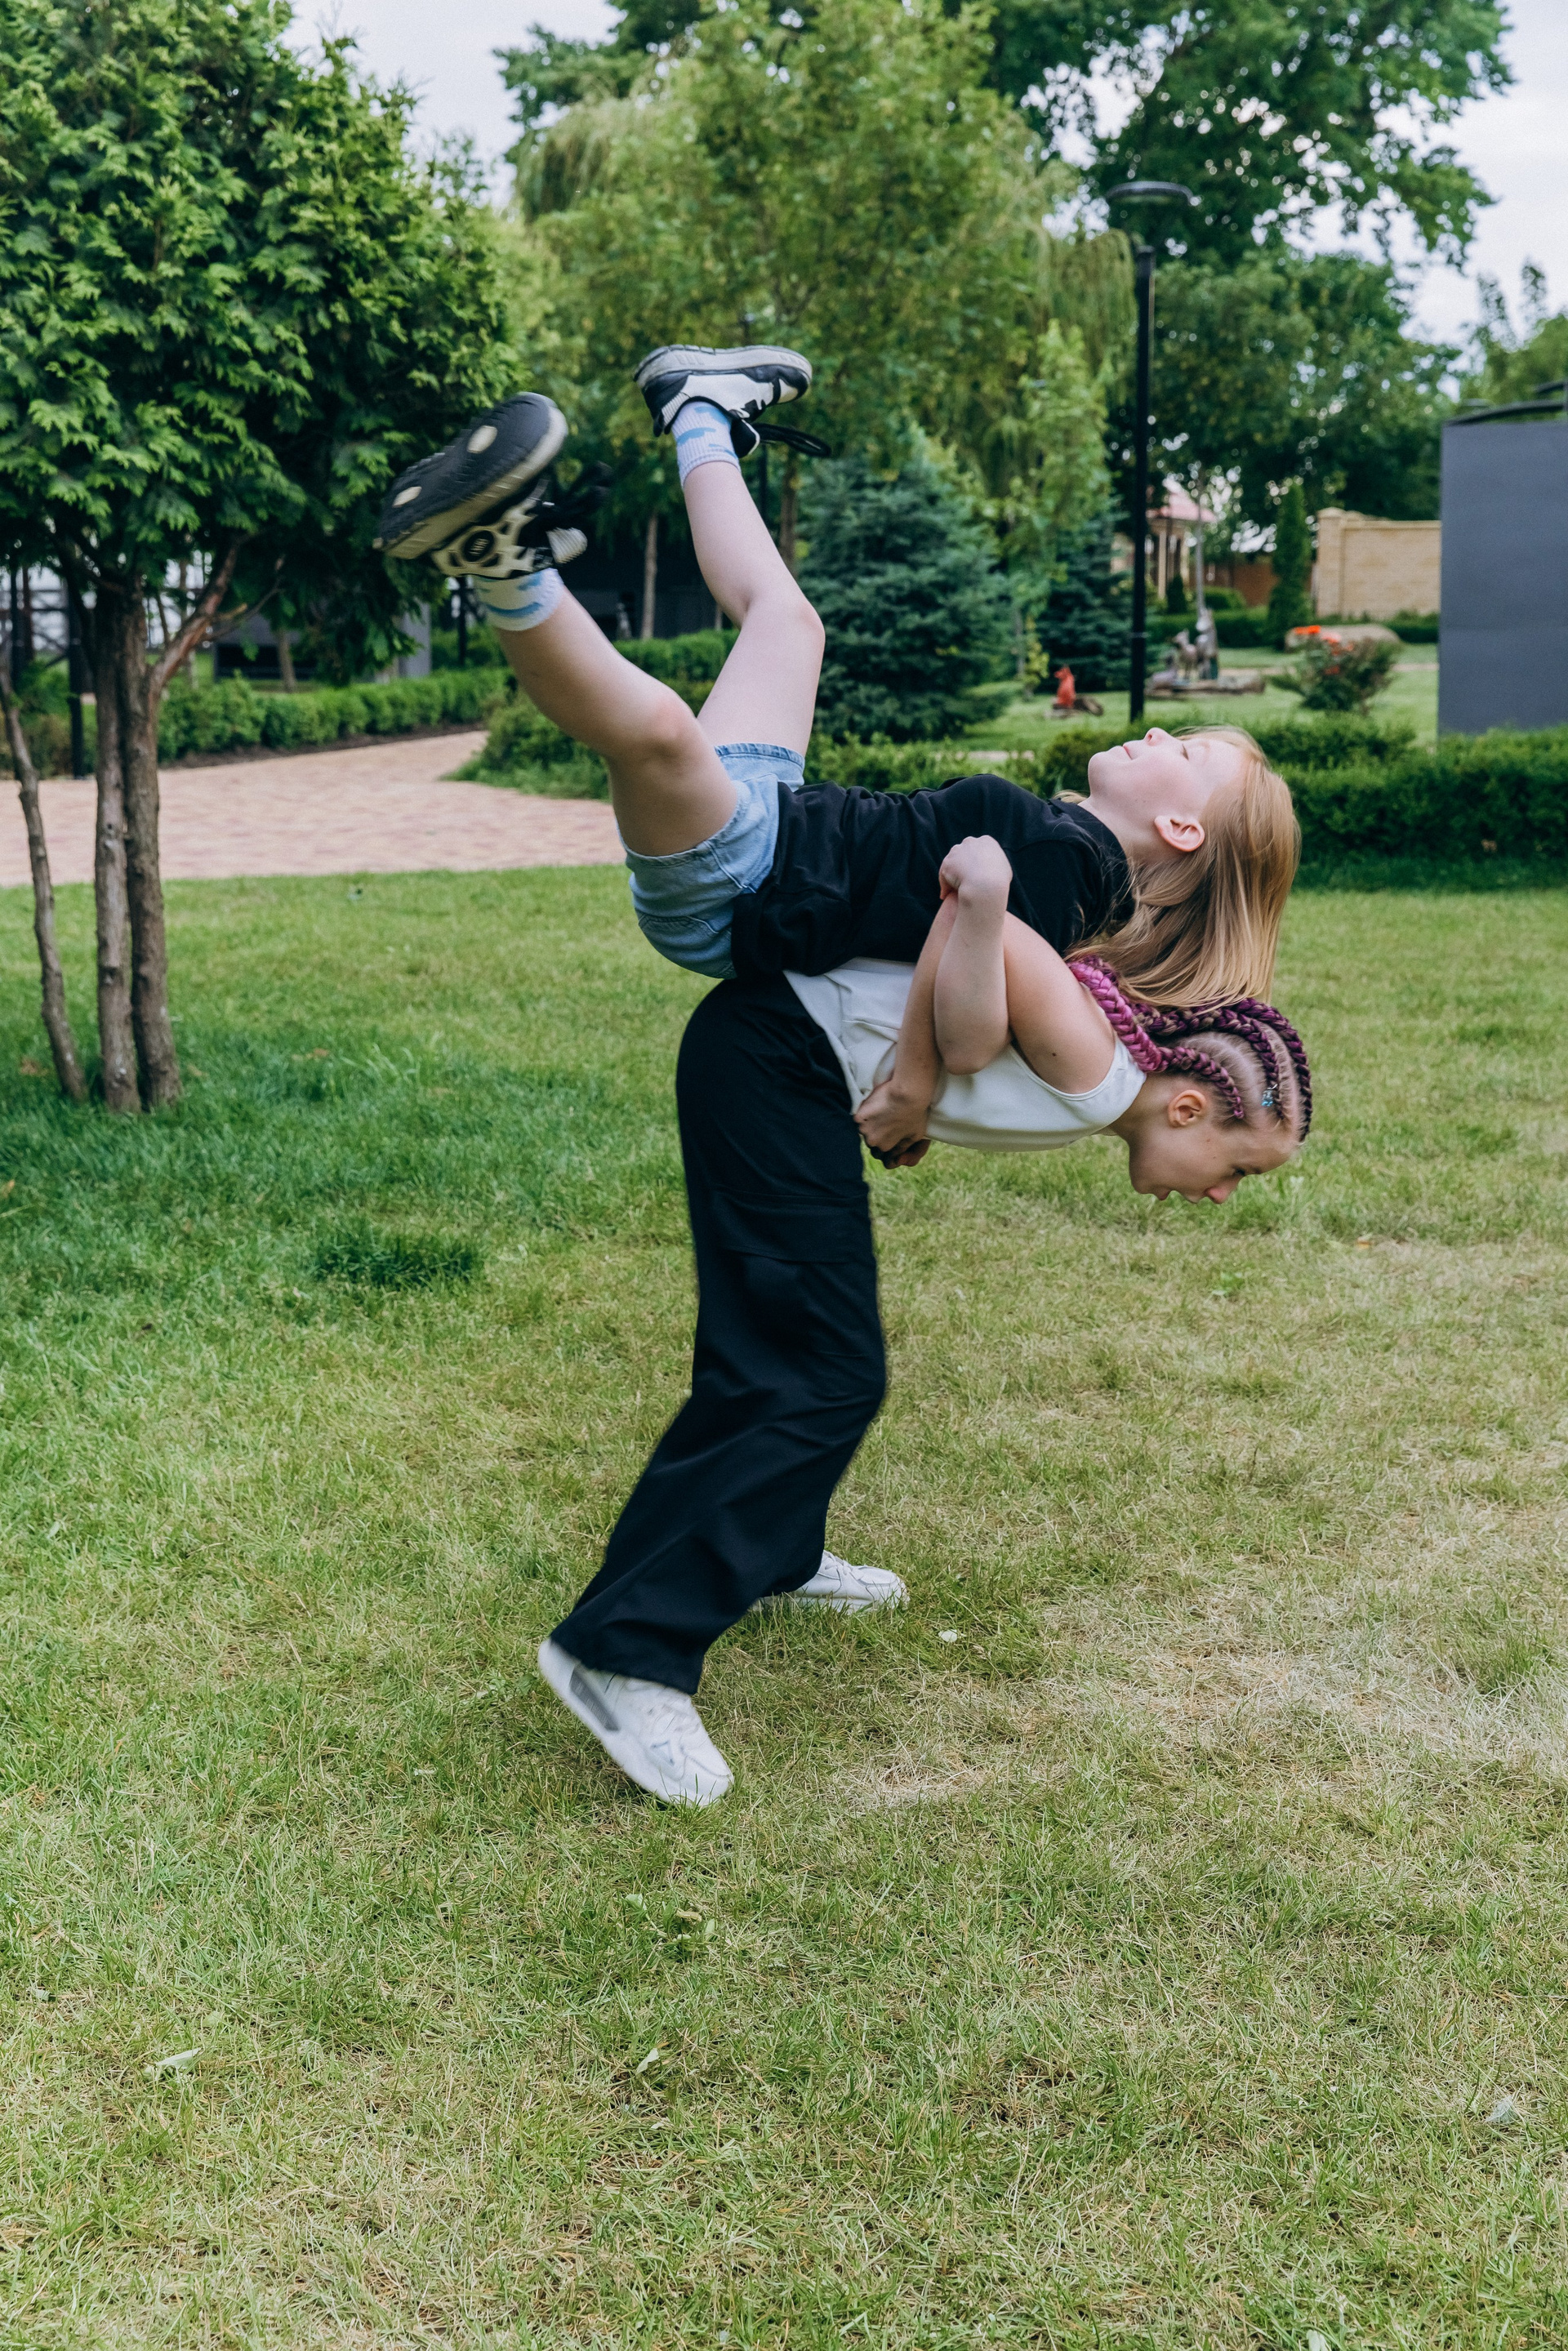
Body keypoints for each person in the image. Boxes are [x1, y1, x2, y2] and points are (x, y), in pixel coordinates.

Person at [376, 346, 1312, 1809]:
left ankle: (520, 553)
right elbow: (972, 956)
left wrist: (928, 1066)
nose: (1157, 732)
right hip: (769, 875)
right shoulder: (1073, 878)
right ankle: (665, 439)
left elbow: (972, 945)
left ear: (1183, 831)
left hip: (759, 883)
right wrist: (923, 1083)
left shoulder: (1079, 879)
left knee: (809, 1347)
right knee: (771, 633)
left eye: (1183, 747)